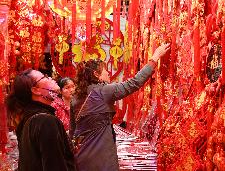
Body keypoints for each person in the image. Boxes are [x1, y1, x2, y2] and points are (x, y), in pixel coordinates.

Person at [71, 43, 170, 171]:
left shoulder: (76, 98)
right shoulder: (103, 91)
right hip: (100, 156)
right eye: (105, 70)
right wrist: (155, 57)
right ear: (96, 74)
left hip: (81, 156)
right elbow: (133, 83)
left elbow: (73, 131)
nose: (108, 73)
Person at [5, 69, 76, 171]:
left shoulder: (31, 118)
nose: (50, 78)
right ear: (35, 90)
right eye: (44, 77)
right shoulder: (45, 121)